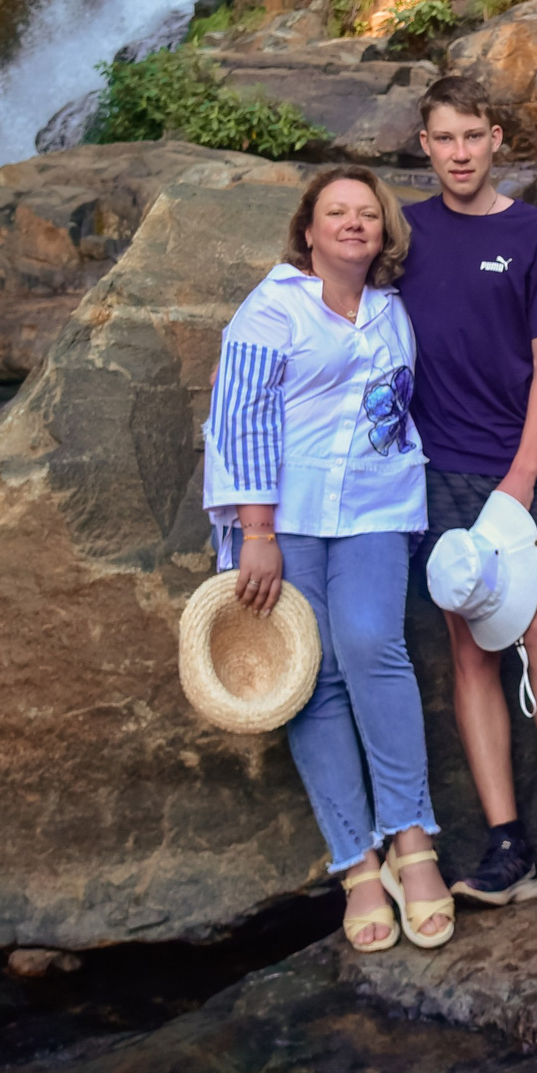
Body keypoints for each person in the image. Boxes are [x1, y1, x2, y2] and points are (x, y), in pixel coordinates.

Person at [203, 168, 455, 952]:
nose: (353, 223)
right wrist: (256, 530)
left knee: (374, 643)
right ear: (307, 230)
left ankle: (412, 840)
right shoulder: (271, 307)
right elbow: (238, 415)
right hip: (289, 517)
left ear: (383, 232)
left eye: (366, 213)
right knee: (314, 674)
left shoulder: (391, 312)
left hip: (377, 507)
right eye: (335, 213)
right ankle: (356, 860)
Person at [395, 74, 537, 904]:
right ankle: (505, 838)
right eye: (444, 138)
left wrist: (523, 477)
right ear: (425, 144)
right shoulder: (402, 235)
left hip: (513, 468)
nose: (459, 152)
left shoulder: (535, 234)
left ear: (496, 139)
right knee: (466, 648)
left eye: (473, 136)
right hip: (432, 473)